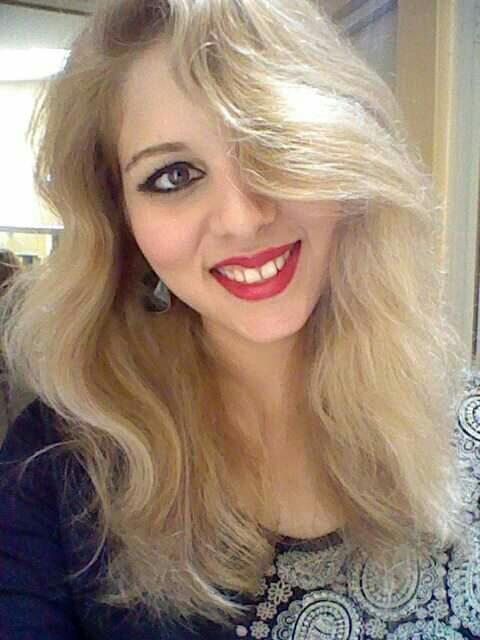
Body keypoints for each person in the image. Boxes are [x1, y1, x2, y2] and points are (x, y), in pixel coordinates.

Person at [0, 0, 478, 638]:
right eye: (174, 175)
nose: (243, 217)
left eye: (271, 144)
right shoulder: (56, 467)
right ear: (122, 223)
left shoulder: (465, 422)